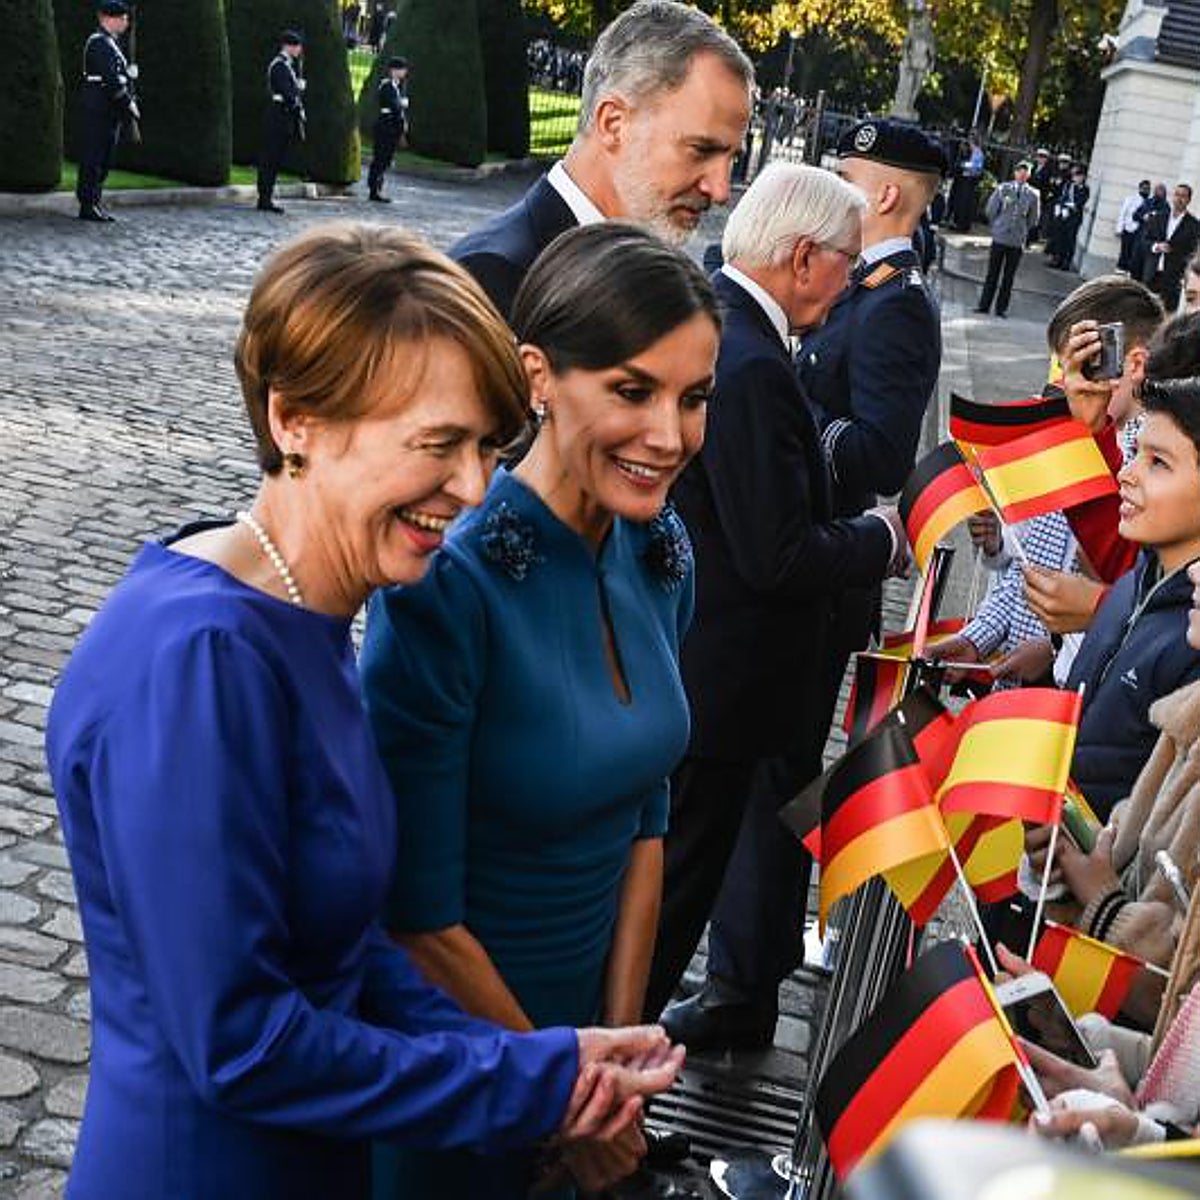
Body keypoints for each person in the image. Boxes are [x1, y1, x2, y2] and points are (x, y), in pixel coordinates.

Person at [44, 223, 685, 1200]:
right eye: (438, 445)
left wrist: (557, 1064)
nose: (471, 489)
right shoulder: (203, 660)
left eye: (485, 447)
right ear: (296, 419)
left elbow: (345, 954)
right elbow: (242, 1041)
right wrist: (529, 1080)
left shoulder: (305, 612)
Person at [359, 224, 717, 1198]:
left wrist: (615, 1065)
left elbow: (648, 813)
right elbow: (416, 919)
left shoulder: (659, 552)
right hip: (457, 1059)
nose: (671, 435)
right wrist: (559, 1088)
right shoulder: (447, 587)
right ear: (538, 378)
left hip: (591, 1049)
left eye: (694, 399)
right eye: (634, 391)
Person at [644, 163, 906, 1047]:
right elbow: (776, 553)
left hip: (709, 672)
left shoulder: (730, 325)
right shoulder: (750, 359)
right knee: (671, 906)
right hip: (724, 685)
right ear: (803, 258)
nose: (853, 282)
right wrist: (882, 541)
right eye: (846, 262)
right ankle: (604, 1107)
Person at [450, 0, 753, 318]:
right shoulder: (490, 280)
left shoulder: (653, 277)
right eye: (701, 150)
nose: (720, 191)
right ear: (613, 124)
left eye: (732, 158)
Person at [77, 0, 140, 223]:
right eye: (122, 18)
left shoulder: (111, 43)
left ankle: (95, 201)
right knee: (93, 158)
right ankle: (88, 204)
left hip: (108, 111)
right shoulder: (99, 43)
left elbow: (121, 76)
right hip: (97, 110)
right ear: (107, 18)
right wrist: (128, 103)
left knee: (104, 159)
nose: (126, 22)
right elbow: (111, 80)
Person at [975, 160, 1041, 318]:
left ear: (1029, 175)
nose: (1022, 174)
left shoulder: (1033, 194)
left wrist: (1023, 230)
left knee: (1008, 277)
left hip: (1017, 240)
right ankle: (984, 305)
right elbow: (991, 210)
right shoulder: (1003, 188)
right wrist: (998, 225)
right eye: (1020, 171)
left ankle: (1001, 309)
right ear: (1015, 172)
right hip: (1000, 236)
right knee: (992, 273)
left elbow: (1033, 219)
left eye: (1026, 172)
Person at [257, 30, 306, 215]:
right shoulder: (279, 65)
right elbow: (286, 92)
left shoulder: (290, 66)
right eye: (296, 46)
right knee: (270, 157)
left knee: (276, 158)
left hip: (286, 116)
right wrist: (295, 100)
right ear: (287, 46)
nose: (299, 50)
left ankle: (267, 196)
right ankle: (264, 198)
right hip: (278, 113)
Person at [1141, 183, 1200, 313]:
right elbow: (1144, 241)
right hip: (1151, 273)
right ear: (1172, 197)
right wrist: (1156, 246)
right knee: (1145, 312)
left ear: (1189, 200)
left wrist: (1184, 275)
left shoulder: (1194, 225)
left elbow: (1192, 252)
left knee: (1167, 314)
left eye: (1183, 196)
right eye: (1177, 195)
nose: (1179, 199)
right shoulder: (1159, 217)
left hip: (1173, 278)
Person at [368, 57, 409, 203]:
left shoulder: (397, 86)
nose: (404, 72)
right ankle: (374, 189)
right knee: (381, 158)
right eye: (401, 69)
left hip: (392, 126)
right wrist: (401, 105)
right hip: (386, 125)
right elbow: (393, 106)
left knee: (386, 158)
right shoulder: (387, 85)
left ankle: (377, 187)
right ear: (393, 70)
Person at [1048, 163, 1090, 270]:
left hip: (1074, 218)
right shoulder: (1068, 186)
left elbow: (1079, 203)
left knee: (1069, 240)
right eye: (1075, 175)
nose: (1076, 177)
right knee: (1059, 237)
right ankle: (1057, 259)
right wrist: (1061, 207)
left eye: (1078, 175)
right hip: (1063, 215)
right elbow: (1062, 197)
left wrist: (1068, 206)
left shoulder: (1084, 189)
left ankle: (1066, 262)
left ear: (1083, 177)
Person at [948, 135, 983, 231]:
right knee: (964, 203)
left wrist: (963, 164)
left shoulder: (977, 153)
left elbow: (975, 166)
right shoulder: (976, 152)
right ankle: (961, 224)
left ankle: (961, 225)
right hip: (969, 178)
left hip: (969, 179)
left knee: (964, 203)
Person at [1117, 180, 1152, 273]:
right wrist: (1119, 228)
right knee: (1125, 250)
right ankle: (1120, 268)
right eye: (1144, 188)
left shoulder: (1150, 202)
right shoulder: (1130, 199)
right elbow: (1122, 213)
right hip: (1128, 228)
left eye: (1148, 189)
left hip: (1140, 231)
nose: (1146, 191)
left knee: (1134, 252)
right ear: (1140, 188)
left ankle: (1129, 269)